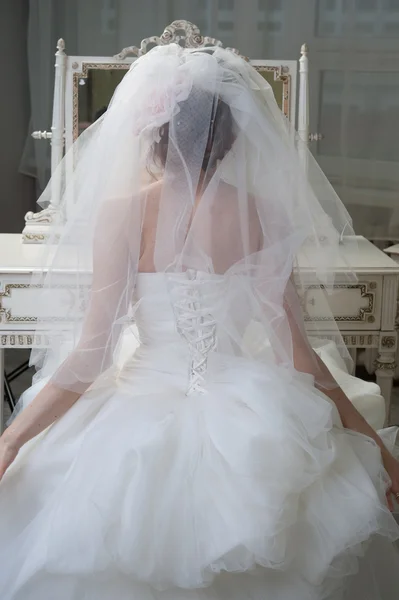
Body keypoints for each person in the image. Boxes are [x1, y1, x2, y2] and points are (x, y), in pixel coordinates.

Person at [0, 44, 398, 600]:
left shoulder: (122, 213)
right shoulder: (265, 213)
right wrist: (376, 447)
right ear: (234, 139)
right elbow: (299, 357)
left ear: (153, 133)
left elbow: (91, 356)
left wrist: (13, 440)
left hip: (141, 398)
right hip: (252, 404)